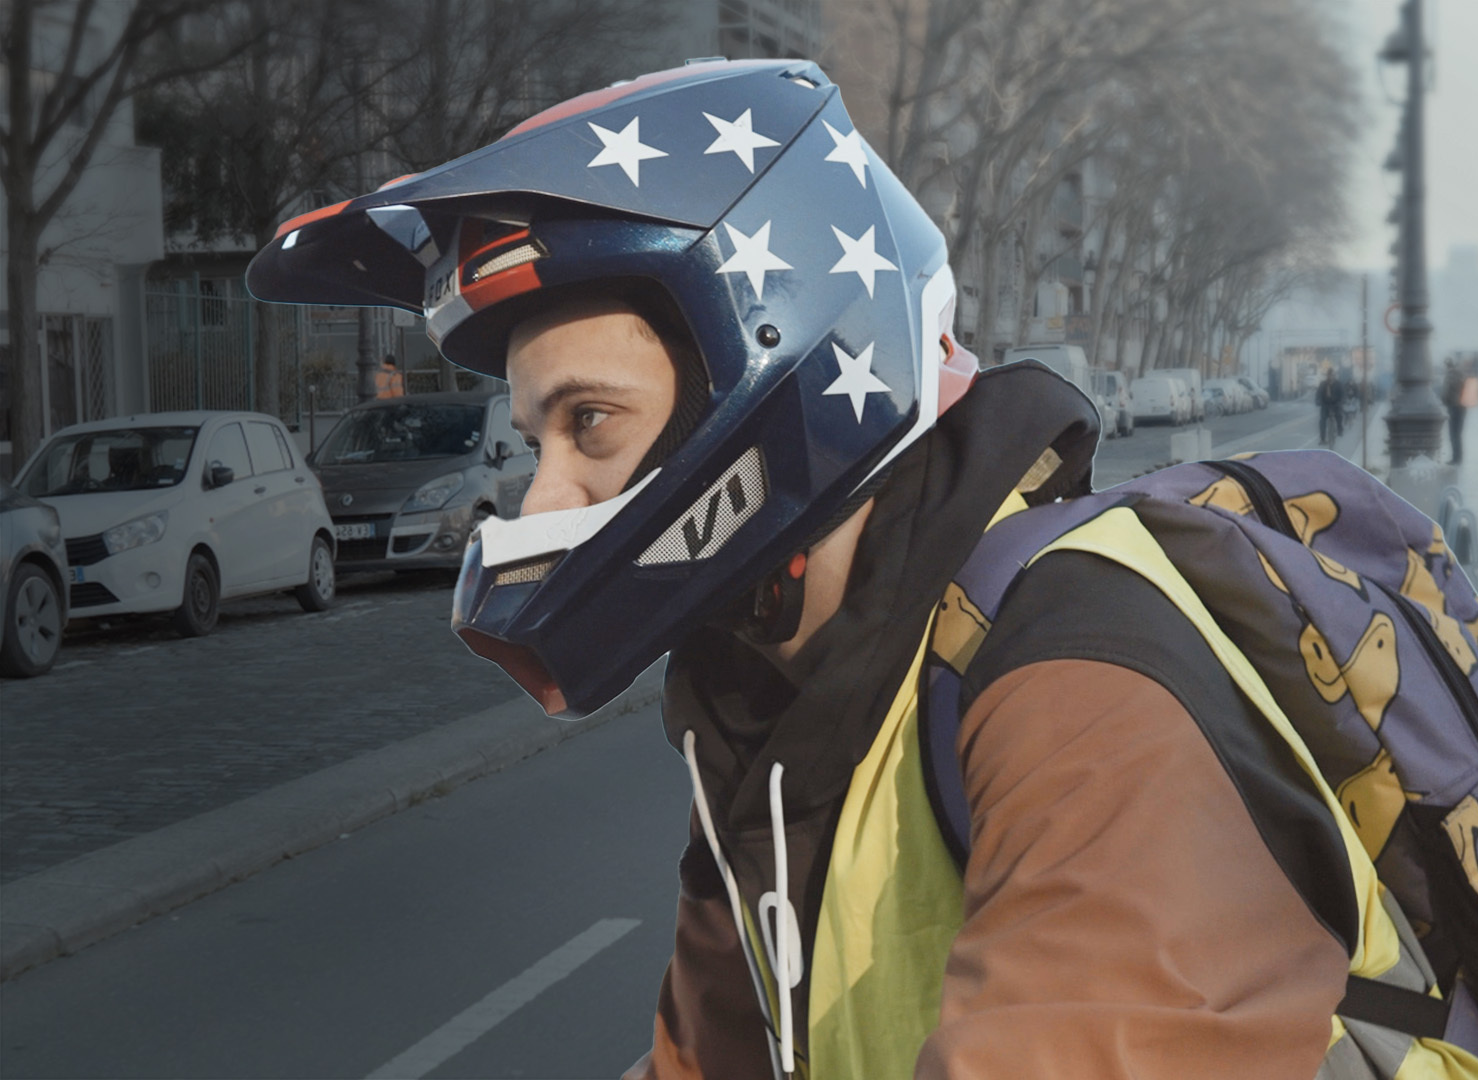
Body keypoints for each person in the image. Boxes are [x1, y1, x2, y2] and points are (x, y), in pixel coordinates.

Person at [249, 62, 1351, 1078]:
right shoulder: (763, 697)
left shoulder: (1084, 680)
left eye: (591, 423)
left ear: (773, 371)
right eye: (538, 442)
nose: (541, 501)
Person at [1441, 358, 1467, 465]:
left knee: (1453, 434)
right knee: (1458, 434)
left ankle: (1455, 459)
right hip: (1463, 407)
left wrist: (1443, 401)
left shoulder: (1449, 376)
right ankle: (1459, 457)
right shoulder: (1461, 374)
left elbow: (1445, 392)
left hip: (1453, 406)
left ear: (1447, 366)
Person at [1316, 364, 1342, 444]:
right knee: (1322, 421)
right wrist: (1318, 401)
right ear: (1327, 376)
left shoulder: (1338, 384)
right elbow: (1318, 393)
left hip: (1335, 405)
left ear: (1334, 376)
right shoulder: (1323, 384)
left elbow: (1342, 394)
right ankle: (1322, 439)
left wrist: (1341, 401)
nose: (1331, 377)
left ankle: (1339, 430)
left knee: (1339, 416)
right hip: (1325, 405)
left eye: (1332, 375)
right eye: (1329, 375)